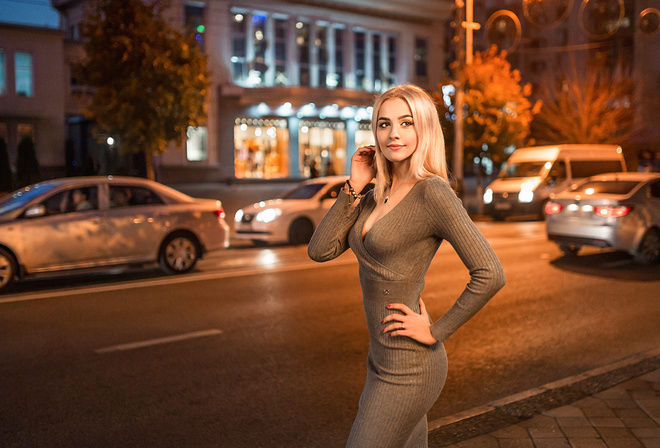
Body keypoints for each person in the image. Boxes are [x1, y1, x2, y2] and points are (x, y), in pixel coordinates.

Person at [307, 84, 506, 448]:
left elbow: (491, 272)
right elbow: (319, 251)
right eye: (384, 124)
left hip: (411, 366)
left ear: (424, 129)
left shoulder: (433, 193)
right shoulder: (372, 195)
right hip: (379, 360)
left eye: (406, 122)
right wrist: (353, 185)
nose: (393, 133)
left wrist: (436, 330)